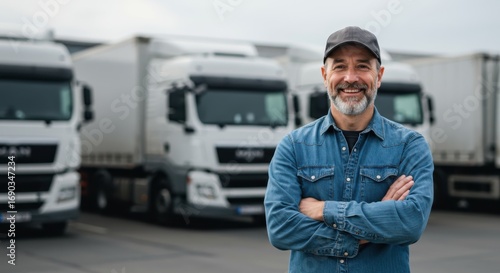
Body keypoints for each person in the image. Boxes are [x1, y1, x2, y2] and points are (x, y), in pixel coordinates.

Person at [264, 26, 434, 273]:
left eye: (363, 66)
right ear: (325, 75)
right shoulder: (294, 146)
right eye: (340, 66)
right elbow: (281, 229)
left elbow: (410, 223)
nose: (351, 77)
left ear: (379, 75)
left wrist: (323, 209)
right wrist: (372, 227)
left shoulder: (410, 145)